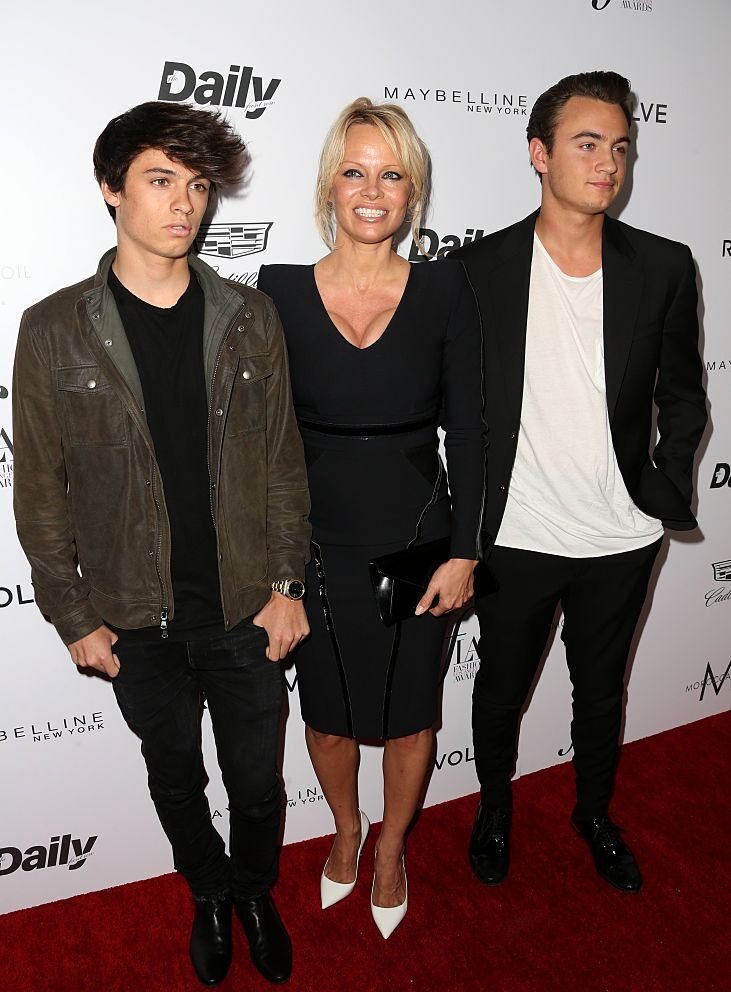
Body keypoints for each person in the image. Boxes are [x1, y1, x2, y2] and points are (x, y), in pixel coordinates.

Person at [13, 101, 311, 986]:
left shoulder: (250, 317)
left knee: (257, 784)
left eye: (196, 186)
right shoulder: (53, 328)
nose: (183, 204)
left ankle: (254, 889)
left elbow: (284, 465)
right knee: (175, 779)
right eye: (158, 180)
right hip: (134, 622)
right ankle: (208, 892)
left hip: (245, 608)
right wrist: (72, 615)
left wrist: (288, 584)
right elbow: (40, 490)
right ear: (110, 189)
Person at [450, 71, 707, 892]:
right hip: (515, 535)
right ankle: (494, 809)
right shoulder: (477, 270)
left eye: (620, 147)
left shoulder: (663, 266)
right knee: (499, 692)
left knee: (601, 694)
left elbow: (682, 394)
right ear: (538, 153)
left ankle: (592, 814)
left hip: (621, 536)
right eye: (586, 144)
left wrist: (660, 485)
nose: (607, 163)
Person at [258, 99, 485, 937]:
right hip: (312, 545)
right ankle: (346, 830)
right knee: (326, 714)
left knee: (409, 713)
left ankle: (392, 846)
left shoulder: (441, 288)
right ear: (329, 184)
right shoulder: (276, 291)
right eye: (354, 170)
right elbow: (260, 443)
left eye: (391, 174)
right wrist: (276, 572)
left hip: (418, 542)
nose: (371, 189)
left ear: (411, 192)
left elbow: (467, 430)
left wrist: (465, 553)